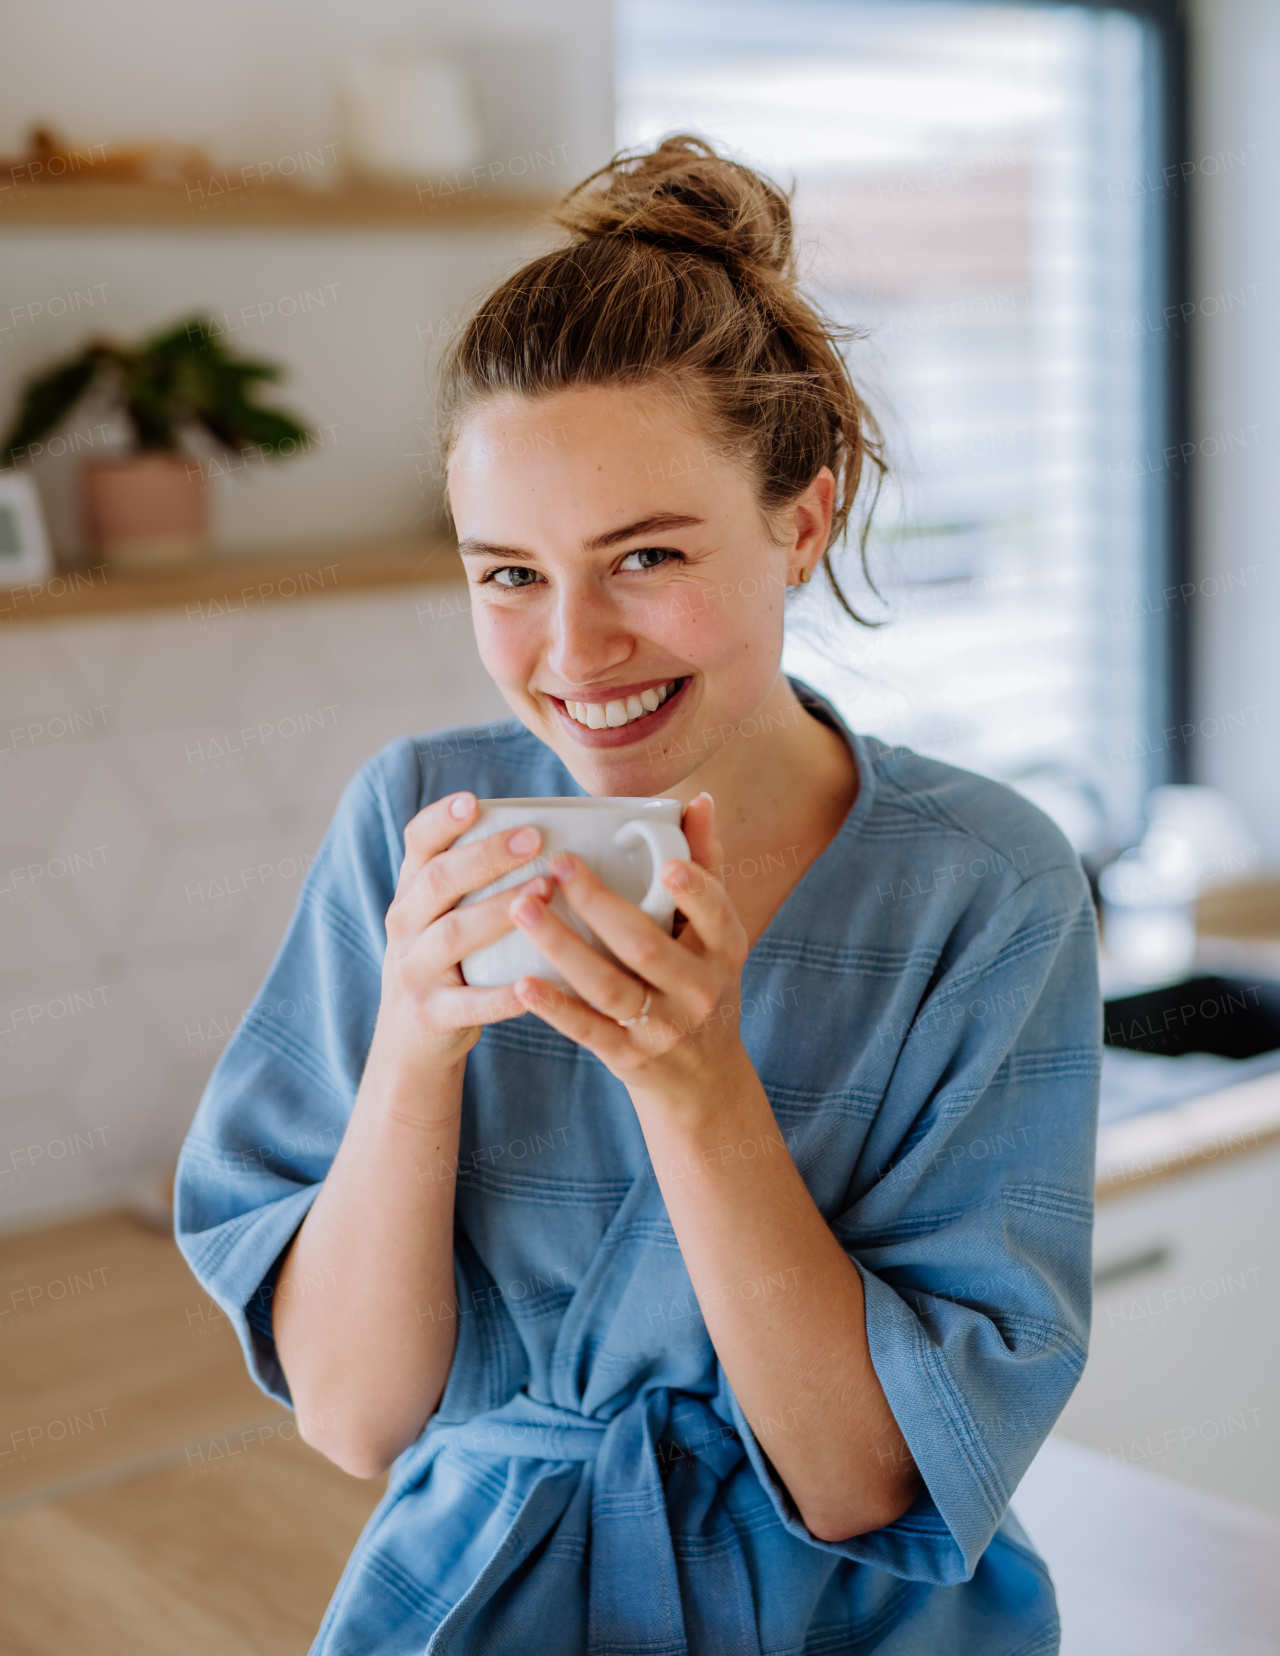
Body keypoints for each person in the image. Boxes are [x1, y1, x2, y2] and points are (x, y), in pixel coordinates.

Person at [175, 135, 1100, 1655]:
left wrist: (694, 1084)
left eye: (647, 555)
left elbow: (867, 1479)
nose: (575, 652)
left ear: (805, 520)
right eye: (509, 575)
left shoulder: (983, 890)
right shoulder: (419, 823)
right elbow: (352, 1420)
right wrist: (415, 1049)